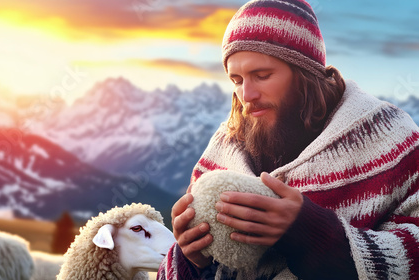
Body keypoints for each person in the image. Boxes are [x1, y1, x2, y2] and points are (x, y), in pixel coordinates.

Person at [157, 0, 419, 279]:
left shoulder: (388, 137)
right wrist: (191, 261)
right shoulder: (219, 156)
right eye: (236, 79)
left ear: (304, 74)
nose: (246, 95)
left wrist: (310, 231)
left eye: (262, 75)